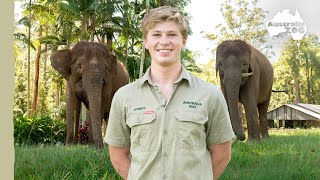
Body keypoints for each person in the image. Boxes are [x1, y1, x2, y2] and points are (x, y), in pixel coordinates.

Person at [104, 6, 235, 180]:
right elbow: (118, 154)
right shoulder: (124, 97)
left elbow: (221, 154)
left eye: (172, 35)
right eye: (156, 35)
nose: (164, 41)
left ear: (184, 41)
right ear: (146, 41)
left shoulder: (210, 95)